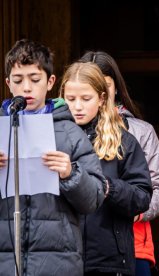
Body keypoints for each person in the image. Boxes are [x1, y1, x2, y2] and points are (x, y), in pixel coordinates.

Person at [0, 39, 106, 276]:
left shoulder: (70, 132)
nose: (26, 88)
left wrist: (71, 173)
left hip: (57, 261)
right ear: (8, 83)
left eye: (35, 80)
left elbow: (94, 200)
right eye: (18, 80)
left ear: (50, 82)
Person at [78, 51, 159, 275]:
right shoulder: (65, 132)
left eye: (105, 84)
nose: (98, 91)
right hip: (77, 245)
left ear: (116, 87)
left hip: (133, 243)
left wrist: (133, 211)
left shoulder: (138, 131)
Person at [60, 61, 153, 276]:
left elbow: (142, 197)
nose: (78, 106)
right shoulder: (52, 139)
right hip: (62, 257)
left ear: (102, 99)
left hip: (109, 261)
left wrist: (108, 187)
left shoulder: (124, 142)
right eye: (71, 99)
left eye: (86, 99)